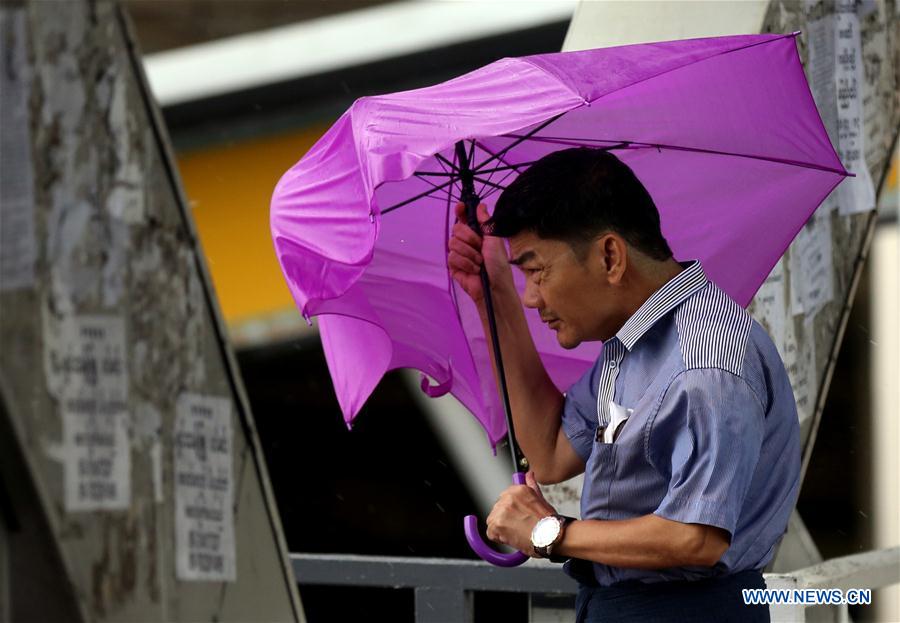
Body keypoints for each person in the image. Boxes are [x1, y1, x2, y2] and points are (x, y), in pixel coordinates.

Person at [447, 147, 800, 622]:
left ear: (610, 256)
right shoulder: (633, 340)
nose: (532, 297)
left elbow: (696, 538)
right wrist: (496, 294)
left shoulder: (704, 364)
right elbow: (551, 451)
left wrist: (550, 533)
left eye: (535, 270)